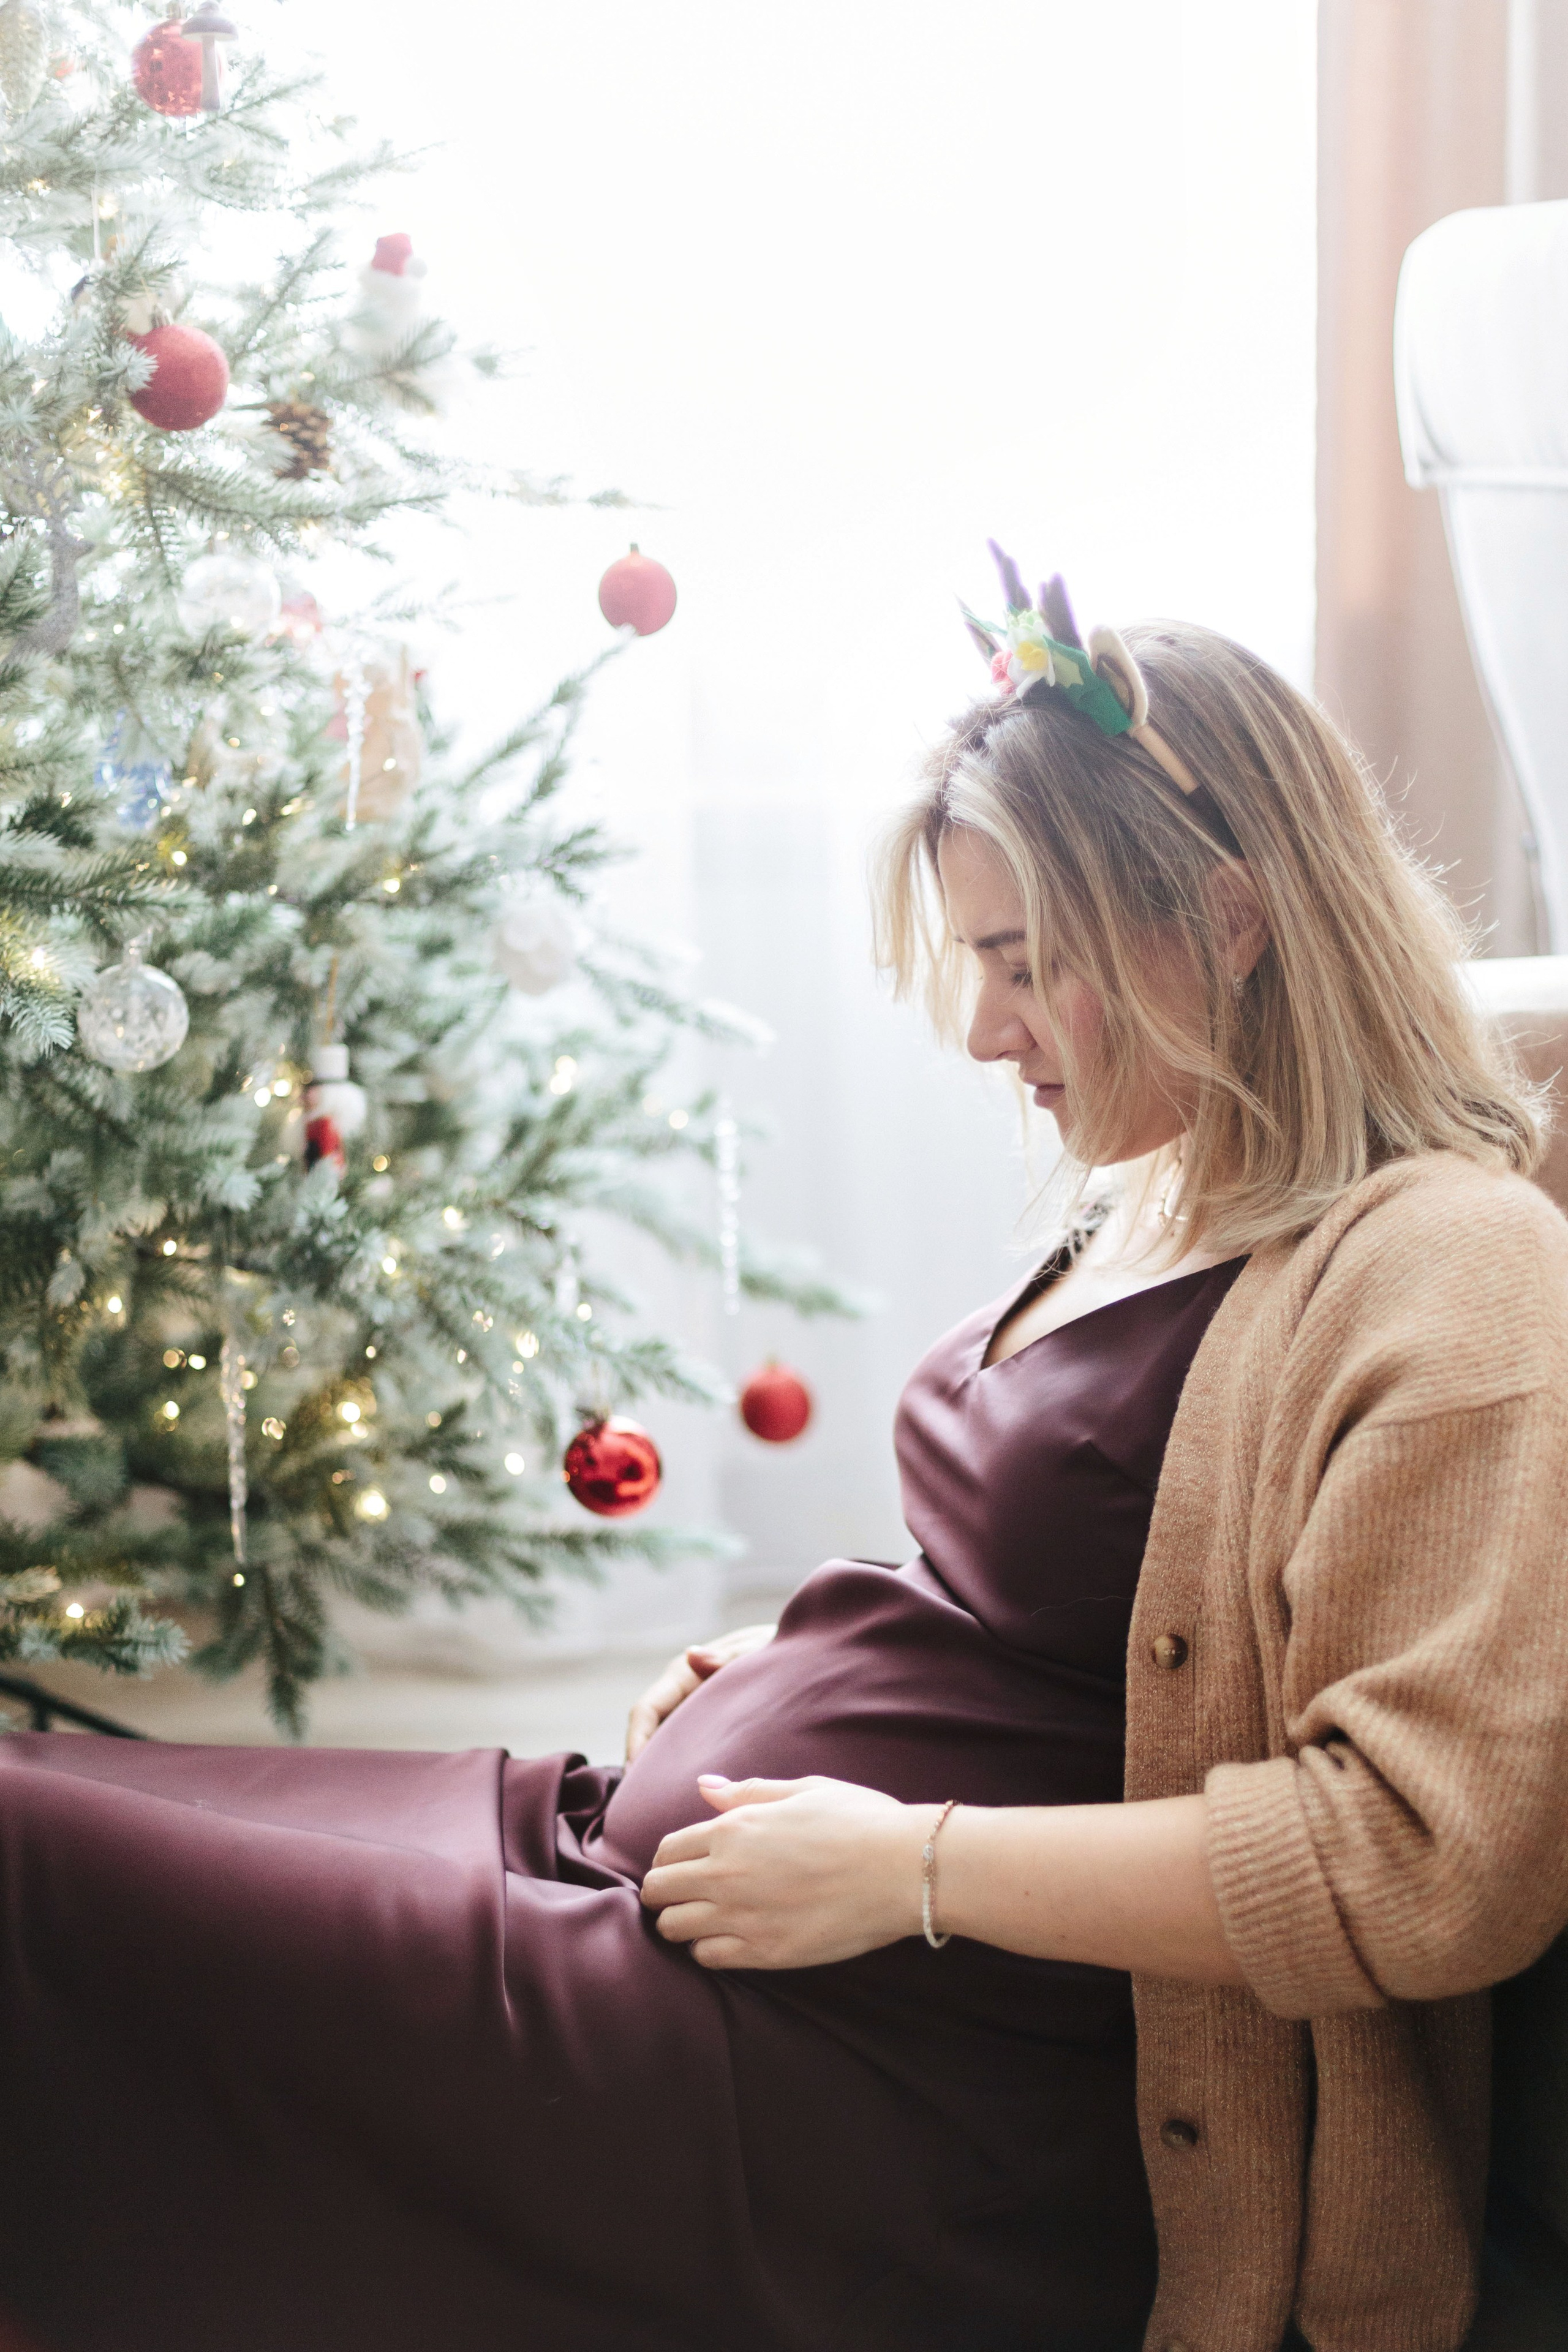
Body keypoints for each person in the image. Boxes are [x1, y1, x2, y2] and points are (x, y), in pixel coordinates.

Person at [4, 560, 1568, 2352]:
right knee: (60, 1812)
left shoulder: (1453, 1268)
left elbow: (1427, 1861)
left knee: (39, 1897)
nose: (987, 1032)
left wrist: (903, 1864)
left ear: (1222, 922)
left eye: (1025, 966)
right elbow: (1082, 1611)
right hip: (687, 1888)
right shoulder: (1161, 1187)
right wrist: (794, 1656)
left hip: (895, 2092)